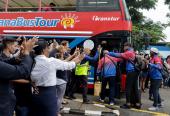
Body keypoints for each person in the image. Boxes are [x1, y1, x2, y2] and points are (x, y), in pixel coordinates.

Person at [30, 40, 83, 116]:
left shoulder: (32, 61)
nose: (49, 50)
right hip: (49, 96)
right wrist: (80, 58)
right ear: (43, 50)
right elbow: (68, 65)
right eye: (48, 48)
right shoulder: (51, 61)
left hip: (36, 95)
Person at [0, 37, 36, 116]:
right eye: (15, 46)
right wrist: (27, 53)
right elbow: (23, 71)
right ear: (8, 45)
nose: (17, 48)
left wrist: (18, 57)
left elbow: (4, 62)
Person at [105, 42, 141, 109]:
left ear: (127, 46)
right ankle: (137, 103)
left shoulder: (129, 52)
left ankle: (128, 104)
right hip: (135, 72)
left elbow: (118, 55)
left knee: (128, 88)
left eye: (124, 46)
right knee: (135, 88)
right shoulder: (133, 52)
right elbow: (120, 58)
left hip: (131, 72)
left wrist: (108, 53)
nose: (123, 47)